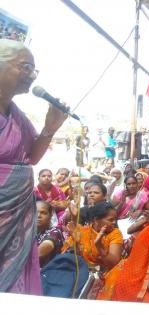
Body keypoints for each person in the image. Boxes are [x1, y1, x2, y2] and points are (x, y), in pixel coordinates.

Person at [0, 39, 68, 293]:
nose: (31, 75)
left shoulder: (16, 115)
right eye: (25, 67)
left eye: (34, 70)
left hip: (17, 217)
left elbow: (31, 157)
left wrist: (50, 127)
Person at [62, 201, 123, 270]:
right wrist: (76, 242)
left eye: (115, 219)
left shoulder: (115, 233)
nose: (114, 222)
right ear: (96, 220)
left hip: (104, 274)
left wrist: (100, 246)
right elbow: (74, 256)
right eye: (110, 220)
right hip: (83, 269)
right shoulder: (84, 231)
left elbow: (114, 263)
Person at [36, 201, 64, 268]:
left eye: (43, 213)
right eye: (35, 212)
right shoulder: (31, 232)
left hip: (48, 274)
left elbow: (48, 245)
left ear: (50, 215)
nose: (38, 216)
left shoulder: (55, 232)